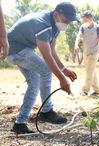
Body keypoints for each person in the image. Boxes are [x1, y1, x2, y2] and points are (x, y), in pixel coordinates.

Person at [7, 2, 78, 134]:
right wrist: (62, 79)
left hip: (23, 49)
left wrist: (64, 69)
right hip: (14, 49)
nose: (67, 24)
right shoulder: (43, 24)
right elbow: (47, 57)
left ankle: (19, 123)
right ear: (56, 14)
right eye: (66, 20)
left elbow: (51, 51)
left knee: (34, 82)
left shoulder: (54, 26)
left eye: (69, 22)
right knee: (45, 70)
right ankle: (46, 111)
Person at [74, 11, 99, 96]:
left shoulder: (98, 27)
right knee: (91, 71)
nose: (84, 22)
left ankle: (85, 90)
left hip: (94, 52)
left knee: (89, 71)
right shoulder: (83, 27)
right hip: (86, 52)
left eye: (85, 20)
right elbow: (79, 36)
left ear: (90, 19)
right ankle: (97, 90)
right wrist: (76, 45)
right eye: (83, 20)